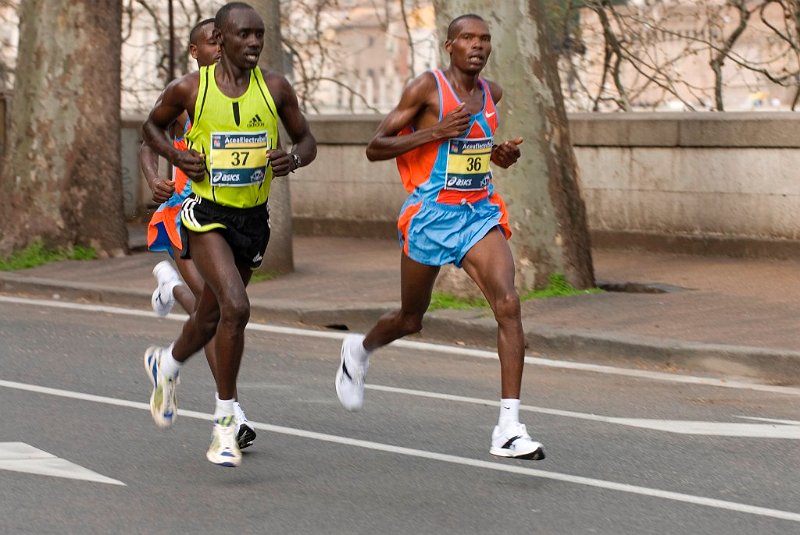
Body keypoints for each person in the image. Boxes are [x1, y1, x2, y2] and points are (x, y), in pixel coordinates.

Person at [334, 13, 545, 461]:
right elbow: (375, 147)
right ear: (449, 45)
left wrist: (499, 155)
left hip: (476, 213)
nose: (478, 45)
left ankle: (508, 427)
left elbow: (474, 151)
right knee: (412, 318)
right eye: (468, 38)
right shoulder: (425, 88)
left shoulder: (492, 93)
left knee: (508, 305)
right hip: (431, 215)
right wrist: (435, 130)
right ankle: (360, 349)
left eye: (485, 39)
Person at [141, 1, 316, 468]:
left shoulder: (276, 88)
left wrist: (293, 159)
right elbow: (151, 128)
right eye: (244, 35)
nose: (254, 42)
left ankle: (168, 364)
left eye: (259, 35)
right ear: (221, 38)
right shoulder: (190, 89)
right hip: (204, 213)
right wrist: (177, 160)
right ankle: (224, 425)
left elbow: (307, 140)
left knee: (211, 314)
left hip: (252, 219)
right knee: (236, 306)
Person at [140, 17, 257, 451]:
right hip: (186, 214)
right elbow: (147, 140)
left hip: (231, 219)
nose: (220, 48)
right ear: (197, 51)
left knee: (212, 307)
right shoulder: (187, 92)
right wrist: (156, 178)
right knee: (226, 305)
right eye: (213, 42)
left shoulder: (246, 94)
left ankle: (169, 291)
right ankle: (231, 411)